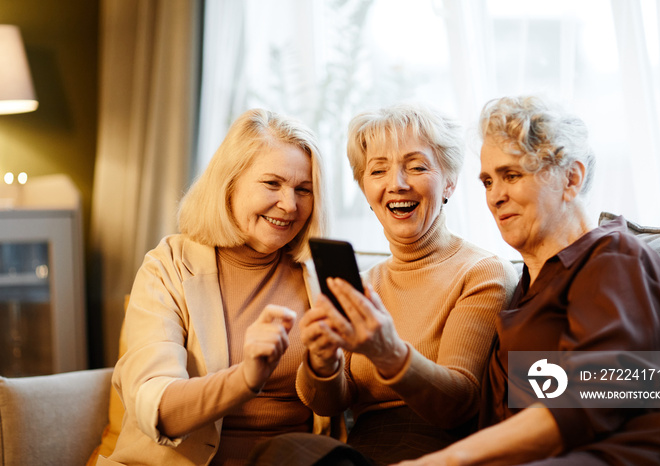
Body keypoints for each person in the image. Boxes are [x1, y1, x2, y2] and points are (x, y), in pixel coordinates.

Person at [396, 95, 660, 466]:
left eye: (512, 175)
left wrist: (450, 460)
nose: (495, 196)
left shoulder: (613, 258)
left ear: (571, 178)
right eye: (488, 181)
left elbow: (587, 401)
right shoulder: (530, 284)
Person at [248, 102, 518, 466]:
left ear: (449, 182)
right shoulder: (362, 283)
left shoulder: (482, 272)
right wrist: (322, 360)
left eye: (417, 166)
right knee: (276, 456)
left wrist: (385, 350)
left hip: (437, 450)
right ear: (365, 189)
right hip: (360, 450)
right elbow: (329, 403)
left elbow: (459, 403)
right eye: (378, 170)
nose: (397, 184)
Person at [97, 108, 331, 466]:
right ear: (230, 183)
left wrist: (328, 364)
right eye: (272, 183)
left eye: (304, 190)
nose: (290, 204)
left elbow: (334, 409)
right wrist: (246, 377)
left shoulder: (318, 276)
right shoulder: (168, 265)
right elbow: (157, 409)